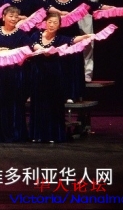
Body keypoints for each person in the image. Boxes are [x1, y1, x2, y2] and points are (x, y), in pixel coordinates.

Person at [29, 12, 94, 143]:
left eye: (55, 23)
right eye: (49, 22)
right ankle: (37, 135)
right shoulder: (36, 35)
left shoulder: (60, 38)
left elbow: (72, 40)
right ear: (45, 23)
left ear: (59, 26)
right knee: (38, 104)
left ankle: (53, 135)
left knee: (53, 105)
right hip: (38, 75)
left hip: (54, 76)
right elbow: (32, 44)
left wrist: (86, 36)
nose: (52, 25)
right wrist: (42, 49)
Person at [46, 0, 112, 102]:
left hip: (73, 36)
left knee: (72, 65)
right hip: (56, 38)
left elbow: (92, 5)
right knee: (57, 66)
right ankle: (56, 95)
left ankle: (72, 94)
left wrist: (109, 8)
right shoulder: (51, 0)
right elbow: (44, 11)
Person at [0, 6, 30, 142]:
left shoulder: (21, 34)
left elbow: (27, 51)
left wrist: (12, 54)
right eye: (11, 16)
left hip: (14, 73)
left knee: (13, 103)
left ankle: (14, 133)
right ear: (3, 17)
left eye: (16, 17)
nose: (13, 19)